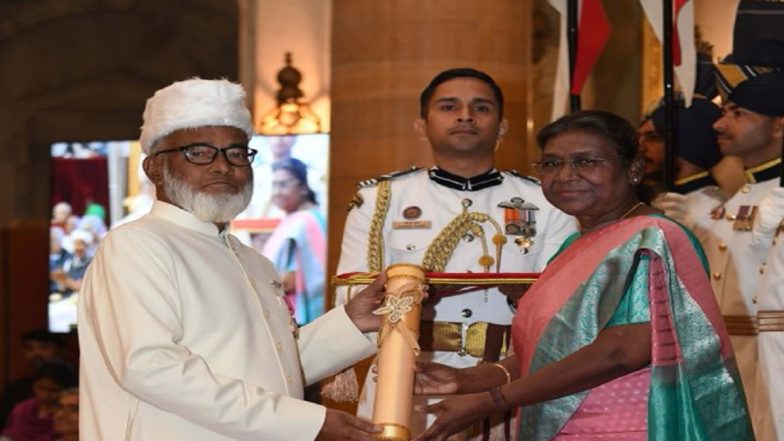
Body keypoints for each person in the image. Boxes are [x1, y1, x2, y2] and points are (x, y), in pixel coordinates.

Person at [77, 77, 390, 440]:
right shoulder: (137, 244)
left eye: (236, 153)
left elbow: (273, 368)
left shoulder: (254, 261)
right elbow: (150, 368)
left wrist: (351, 323)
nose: (222, 166)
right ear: (154, 169)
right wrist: (307, 422)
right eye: (198, 151)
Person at [411, 110, 752, 441]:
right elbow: (555, 350)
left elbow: (621, 351)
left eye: (586, 161)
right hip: (558, 423)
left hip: (622, 427)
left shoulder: (653, 237)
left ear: (632, 170)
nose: (565, 175)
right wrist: (467, 380)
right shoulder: (575, 243)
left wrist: (494, 400)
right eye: (552, 163)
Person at [333, 67, 576, 438]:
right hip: (411, 373)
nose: (466, 115)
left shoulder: (544, 201)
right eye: (449, 107)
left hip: (509, 375)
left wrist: (525, 298)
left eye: (481, 107)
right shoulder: (382, 199)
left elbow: (564, 304)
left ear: (502, 127)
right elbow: (350, 293)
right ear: (421, 125)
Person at [643, 94, 728, 243]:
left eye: (653, 138)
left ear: (685, 144)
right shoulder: (653, 199)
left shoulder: (711, 209)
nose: (640, 148)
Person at [262, 157, 326, 325]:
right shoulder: (293, 219)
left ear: (303, 187)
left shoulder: (306, 221)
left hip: (301, 320)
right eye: (274, 185)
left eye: (283, 184)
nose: (276, 192)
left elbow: (290, 281)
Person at [0, 330, 68, 431]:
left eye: (44, 347)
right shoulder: (14, 389)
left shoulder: (76, 386)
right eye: (30, 348)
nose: (36, 353)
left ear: (61, 351)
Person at [2, 361, 74, 441]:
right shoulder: (21, 409)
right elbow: (8, 435)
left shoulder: (67, 416)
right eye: (41, 388)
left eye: (52, 390)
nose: (45, 396)